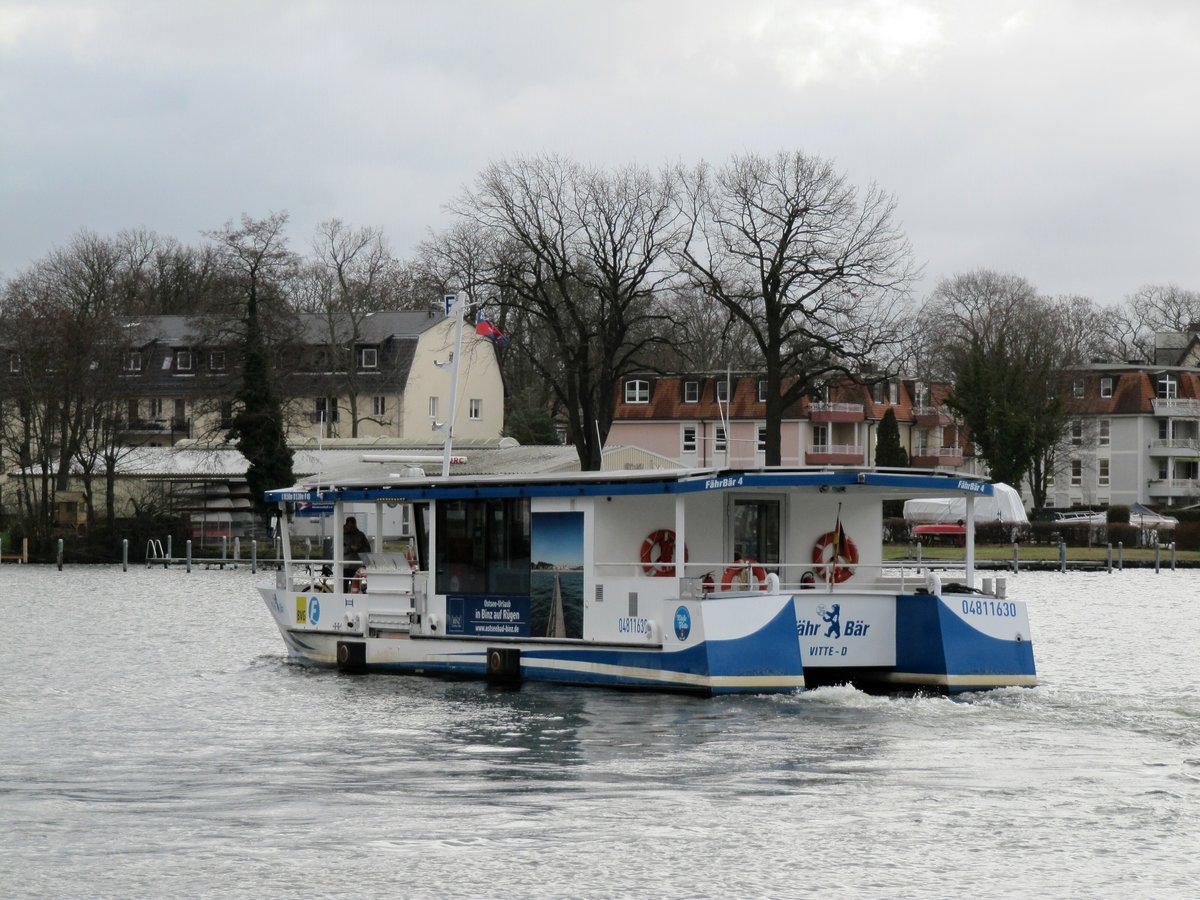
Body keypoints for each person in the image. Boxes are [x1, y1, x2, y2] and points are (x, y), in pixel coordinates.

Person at [342, 516, 371, 592]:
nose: (352, 527)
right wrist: (350, 548)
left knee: (356, 588)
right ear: (347, 524)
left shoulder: (360, 535)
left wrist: (359, 548)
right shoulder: (341, 535)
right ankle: (342, 601)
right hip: (345, 566)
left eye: (353, 525)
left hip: (356, 567)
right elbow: (337, 549)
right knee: (343, 587)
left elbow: (368, 549)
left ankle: (356, 602)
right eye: (350, 525)